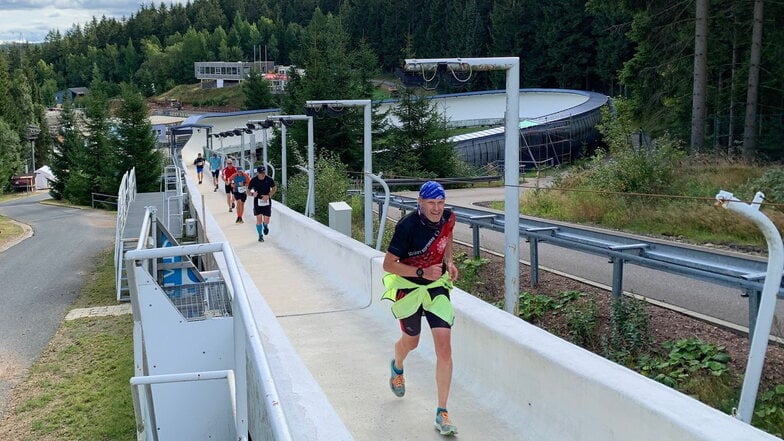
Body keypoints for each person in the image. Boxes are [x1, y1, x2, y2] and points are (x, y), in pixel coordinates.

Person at [381, 180, 460, 436]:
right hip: (409, 286)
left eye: (440, 203)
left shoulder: (448, 217)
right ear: (420, 203)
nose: (437, 209)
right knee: (412, 341)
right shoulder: (407, 226)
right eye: (431, 203)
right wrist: (421, 271)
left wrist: (449, 261)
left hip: (436, 286)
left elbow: (447, 238)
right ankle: (398, 363)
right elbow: (388, 265)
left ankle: (442, 412)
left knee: (444, 347)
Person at [248, 166, 277, 242]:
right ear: (257, 173)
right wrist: (252, 194)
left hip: (266, 200)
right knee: (259, 219)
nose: (263, 174)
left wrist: (269, 195)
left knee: (266, 219)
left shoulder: (269, 179)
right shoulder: (254, 180)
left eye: (264, 172)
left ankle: (265, 225)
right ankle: (260, 235)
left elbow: (274, 188)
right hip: (257, 201)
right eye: (261, 173)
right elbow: (248, 191)